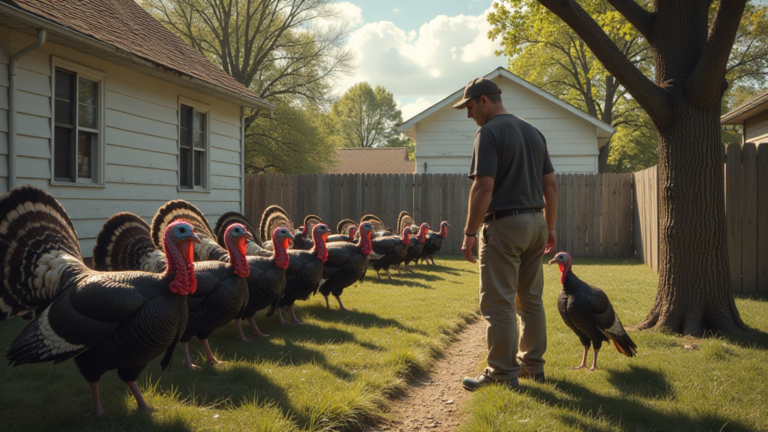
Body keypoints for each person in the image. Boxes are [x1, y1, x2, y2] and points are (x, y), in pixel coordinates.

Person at [455, 77, 558, 391]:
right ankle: (533, 368)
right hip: (536, 224)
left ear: (485, 101)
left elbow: (483, 186)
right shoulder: (533, 131)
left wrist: (470, 232)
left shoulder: (488, 133)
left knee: (498, 302)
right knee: (530, 301)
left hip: (505, 226)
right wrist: (550, 227)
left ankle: (501, 373)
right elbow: (551, 185)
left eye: (470, 107)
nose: (469, 115)